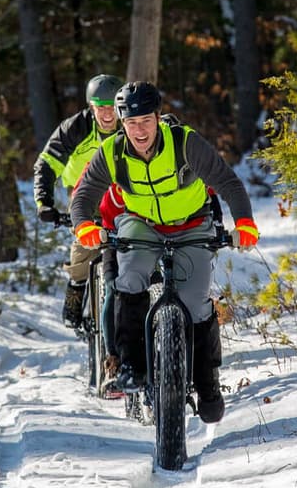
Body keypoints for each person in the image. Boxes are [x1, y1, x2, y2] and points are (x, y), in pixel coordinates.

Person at [69, 81, 259, 424]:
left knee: (196, 299)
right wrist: (85, 226)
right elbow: (83, 196)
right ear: (122, 124)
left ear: (158, 118)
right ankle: (132, 366)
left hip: (191, 224)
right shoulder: (112, 151)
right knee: (128, 278)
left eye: (145, 120)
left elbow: (229, 182)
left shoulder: (185, 142)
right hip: (141, 224)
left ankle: (206, 381)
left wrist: (243, 223)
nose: (139, 130)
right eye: (131, 123)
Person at [33, 74, 124, 328]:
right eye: (100, 108)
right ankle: (77, 289)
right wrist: (45, 202)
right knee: (86, 241)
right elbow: (48, 163)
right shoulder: (76, 128)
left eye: (112, 108)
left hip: (123, 190)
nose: (107, 115)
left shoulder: (132, 124)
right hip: (84, 191)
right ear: (91, 107)